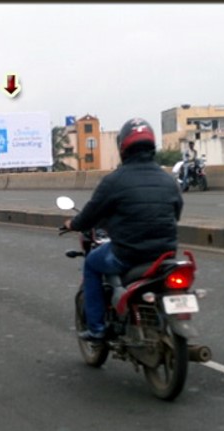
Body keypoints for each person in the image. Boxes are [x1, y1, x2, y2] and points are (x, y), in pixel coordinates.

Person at [63, 118, 183, 341]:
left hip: (128, 253)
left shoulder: (114, 181)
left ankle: (97, 328)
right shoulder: (169, 180)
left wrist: (72, 224)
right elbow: (176, 213)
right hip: (165, 254)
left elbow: (90, 214)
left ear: (123, 148)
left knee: (91, 264)